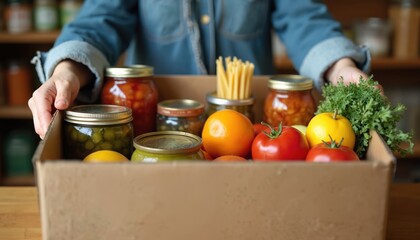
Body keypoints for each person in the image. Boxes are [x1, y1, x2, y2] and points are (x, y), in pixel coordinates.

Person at [29, 0, 371, 139]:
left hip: (255, 132)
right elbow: (99, 21)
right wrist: (67, 72)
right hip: (155, 131)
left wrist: (343, 67)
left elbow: (303, 19)